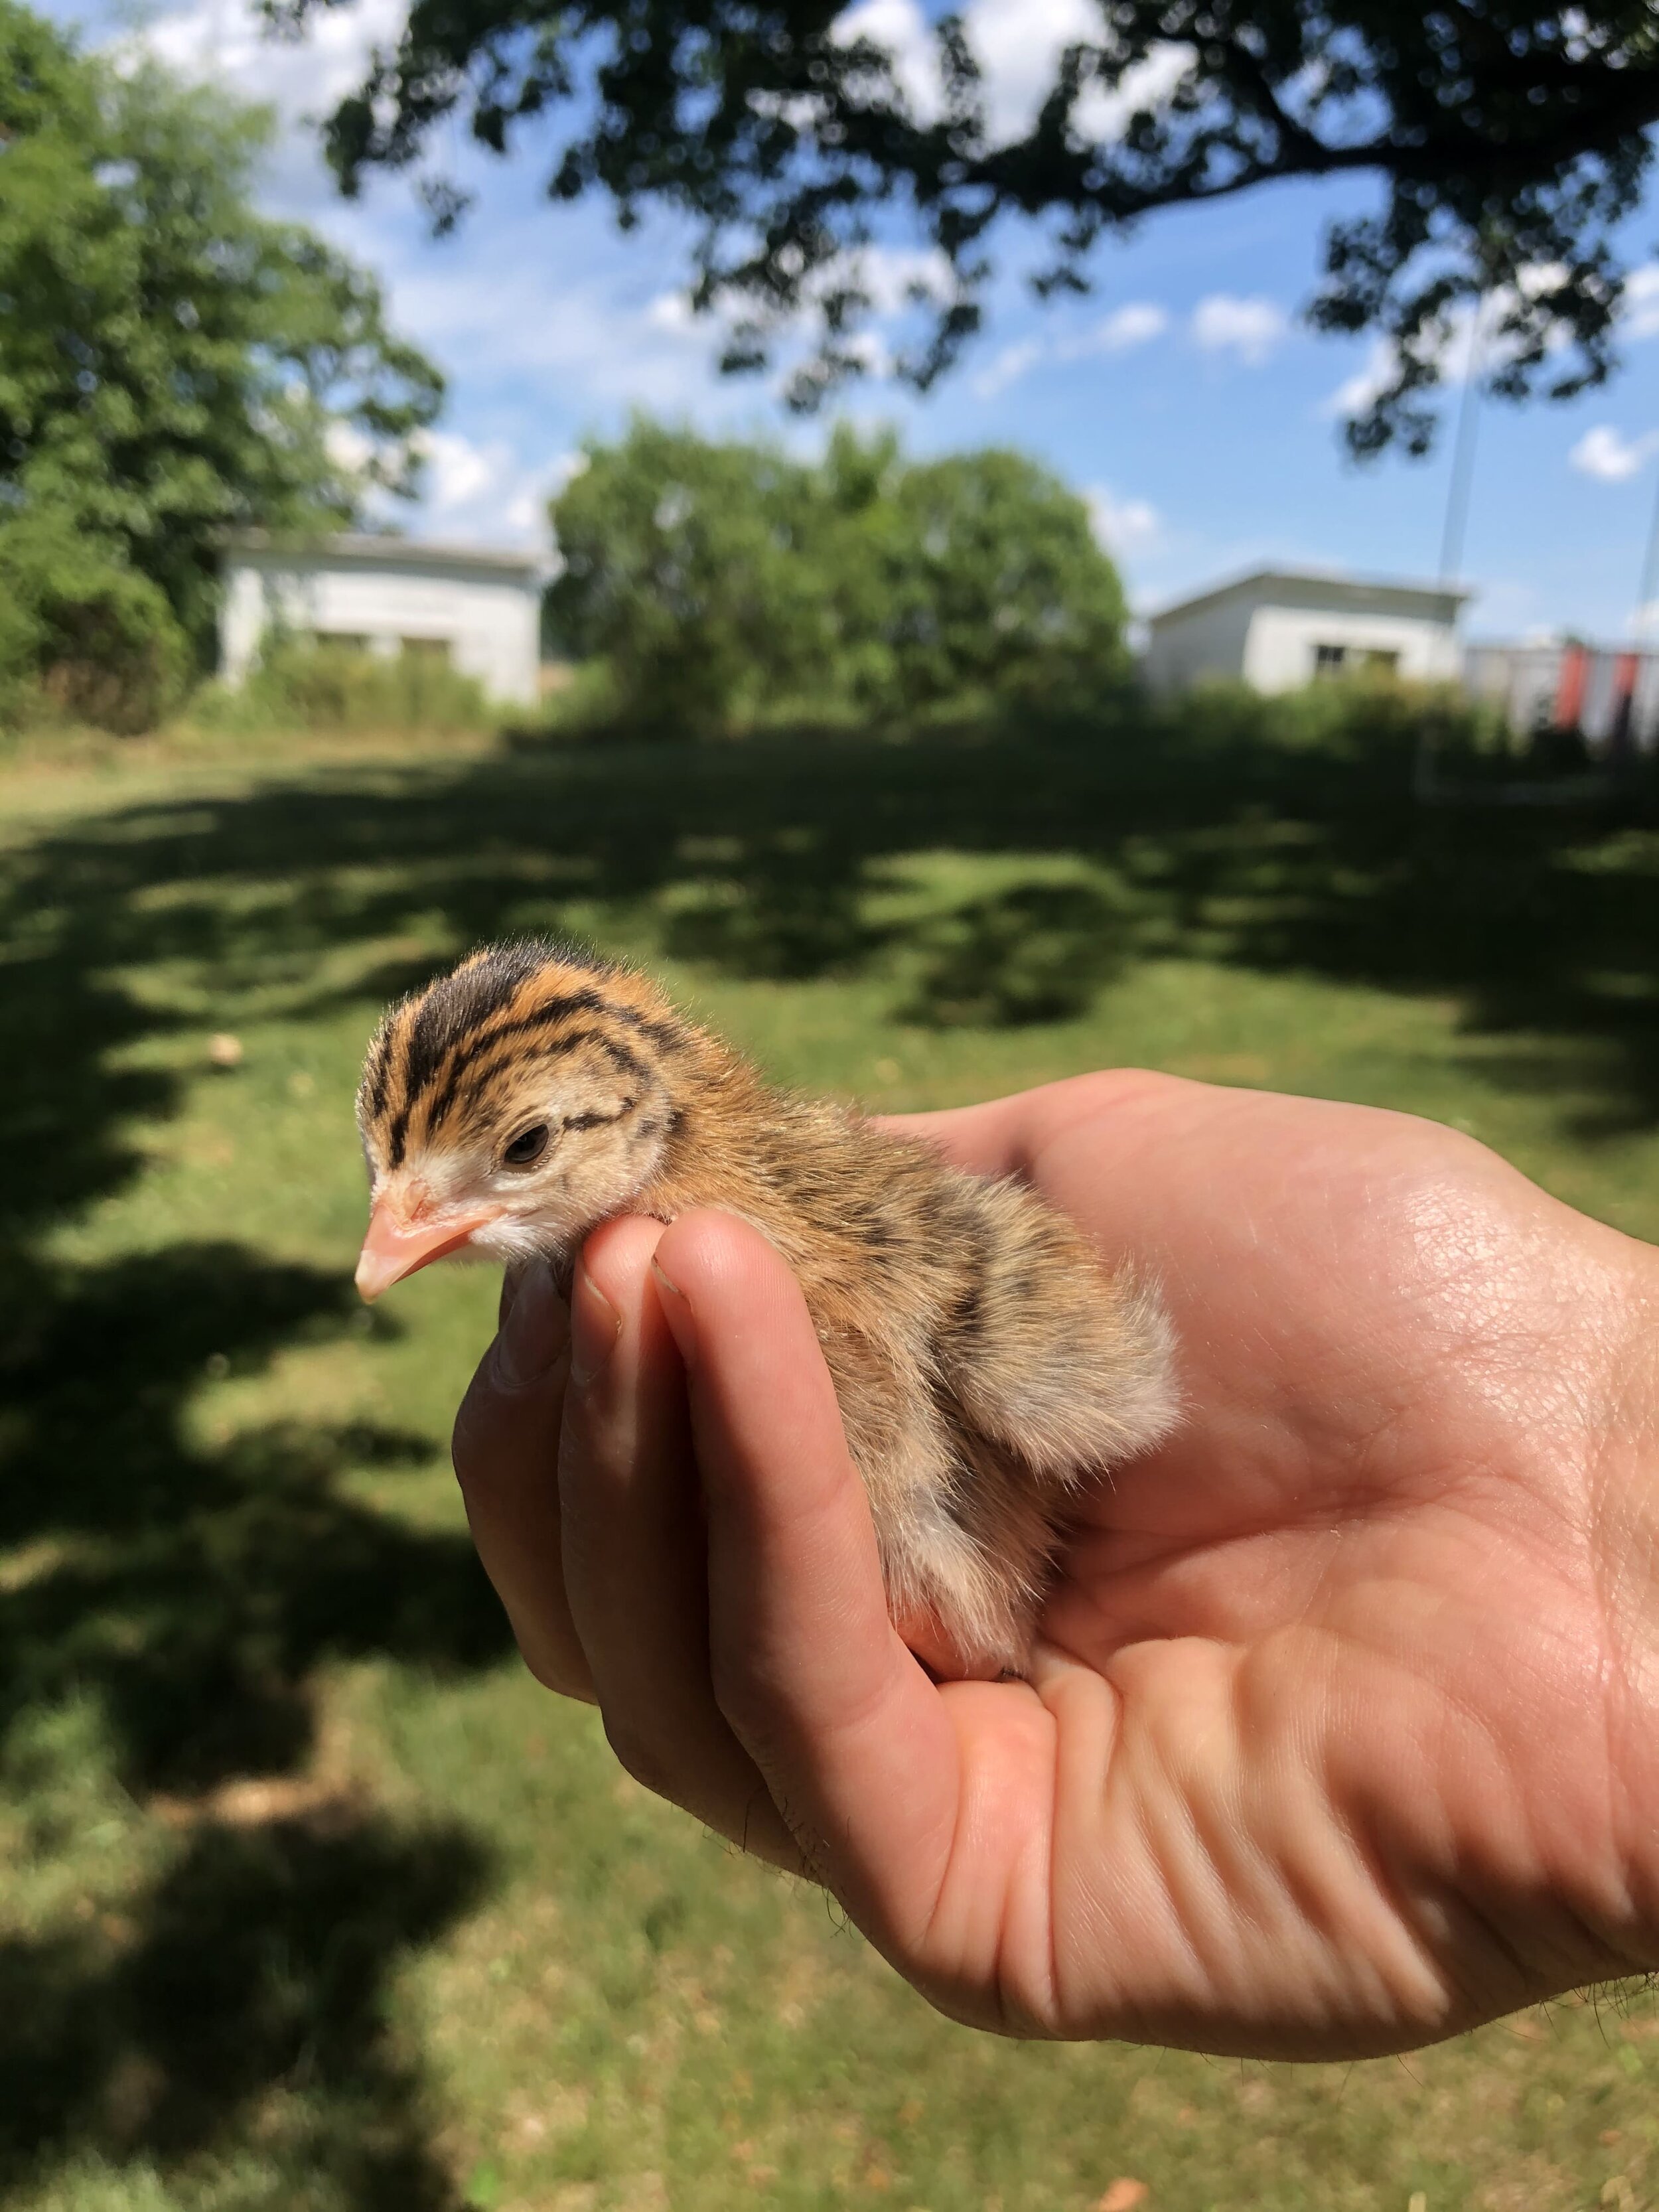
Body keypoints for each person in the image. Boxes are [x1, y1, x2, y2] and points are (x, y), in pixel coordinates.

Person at [449, 1070, 1659, 2059]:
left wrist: (1597, 1434)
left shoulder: (830, 1222)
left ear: (643, 1116)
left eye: (520, 1149)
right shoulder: (730, 1238)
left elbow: (1097, 1388)